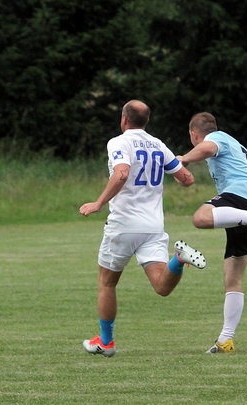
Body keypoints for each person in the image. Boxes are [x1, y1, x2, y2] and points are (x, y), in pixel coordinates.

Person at [79, 100, 206, 358]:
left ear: (124, 119)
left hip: (124, 224)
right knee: (161, 287)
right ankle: (179, 259)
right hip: (153, 226)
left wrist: (98, 203)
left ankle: (106, 342)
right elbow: (187, 179)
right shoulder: (158, 144)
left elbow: (121, 174)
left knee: (107, 283)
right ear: (146, 121)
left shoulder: (119, 142)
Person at [177, 112, 247, 354]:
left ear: (194, 134)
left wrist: (184, 159)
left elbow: (207, 148)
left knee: (200, 217)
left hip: (241, 199)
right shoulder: (238, 148)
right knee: (233, 277)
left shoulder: (218, 138)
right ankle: (226, 340)